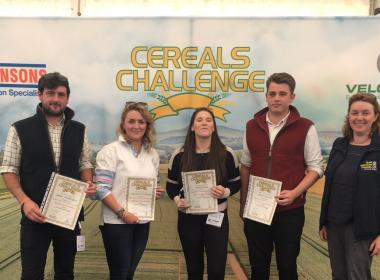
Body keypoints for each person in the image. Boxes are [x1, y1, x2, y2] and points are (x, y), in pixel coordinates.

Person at [0, 72, 96, 280]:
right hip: (35, 215)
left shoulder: (80, 130)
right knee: (32, 275)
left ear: (67, 98)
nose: (56, 99)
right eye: (50, 93)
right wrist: (25, 201)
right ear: (40, 95)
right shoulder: (19, 129)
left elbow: (84, 163)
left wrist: (88, 181)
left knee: (65, 273)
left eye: (61, 94)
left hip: (68, 216)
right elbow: (8, 169)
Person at [240, 72, 324, 280]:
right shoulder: (251, 126)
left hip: (290, 211)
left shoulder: (306, 127)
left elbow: (316, 168)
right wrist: (244, 203)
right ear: (266, 96)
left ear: (292, 97)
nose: (276, 98)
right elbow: (246, 166)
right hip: (257, 211)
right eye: (272, 93)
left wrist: (295, 193)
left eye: (282, 94)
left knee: (287, 265)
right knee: (258, 266)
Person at [166, 107, 241, 280]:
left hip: (217, 217)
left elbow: (236, 182)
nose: (204, 123)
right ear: (192, 127)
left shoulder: (227, 153)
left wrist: (225, 192)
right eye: (199, 120)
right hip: (188, 218)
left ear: (214, 126)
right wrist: (178, 200)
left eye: (208, 120)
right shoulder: (179, 155)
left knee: (216, 270)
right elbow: (171, 187)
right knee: (194, 269)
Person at [93, 101, 164, 280]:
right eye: (131, 121)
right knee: (120, 274)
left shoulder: (153, 154)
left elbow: (154, 183)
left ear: (147, 125)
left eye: (141, 122)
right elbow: (101, 189)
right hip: (116, 223)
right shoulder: (111, 151)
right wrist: (123, 213)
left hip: (142, 221)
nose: (136, 126)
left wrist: (155, 192)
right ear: (123, 124)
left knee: (130, 273)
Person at [319, 93, 380, 280]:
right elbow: (330, 185)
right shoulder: (339, 145)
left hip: (362, 228)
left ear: (376, 116)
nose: (359, 118)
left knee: (358, 276)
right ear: (348, 116)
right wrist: (324, 221)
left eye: (365, 113)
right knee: (338, 275)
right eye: (354, 113)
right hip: (334, 224)